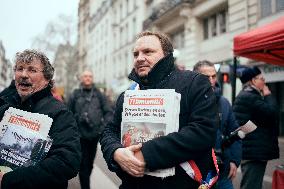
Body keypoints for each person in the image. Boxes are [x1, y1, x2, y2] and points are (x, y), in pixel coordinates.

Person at [100, 31, 218, 189]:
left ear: (166, 55)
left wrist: (145, 155)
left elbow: (203, 131)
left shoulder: (194, 83)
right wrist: (116, 152)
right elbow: (109, 130)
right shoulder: (127, 95)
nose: (139, 58)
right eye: (136, 54)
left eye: (148, 52)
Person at [0, 49, 81, 189]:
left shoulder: (60, 113)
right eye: (20, 68)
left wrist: (9, 180)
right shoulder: (5, 106)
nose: (24, 75)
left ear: (47, 79)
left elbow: (67, 162)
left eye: (32, 70)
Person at [193, 60, 241, 189]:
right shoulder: (188, 101)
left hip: (223, 169)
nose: (211, 80)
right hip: (198, 172)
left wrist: (234, 161)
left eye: (213, 76)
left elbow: (235, 132)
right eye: (206, 77)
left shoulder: (224, 103)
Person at [233, 66, 279, 189]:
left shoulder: (248, 95)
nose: (264, 81)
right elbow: (272, 112)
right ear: (253, 81)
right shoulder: (250, 97)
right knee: (251, 185)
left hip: (253, 151)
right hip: (253, 153)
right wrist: (268, 95)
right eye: (261, 78)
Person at [68, 70, 113, 189]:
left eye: (90, 76)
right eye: (85, 76)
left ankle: (85, 180)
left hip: (94, 136)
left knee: (90, 164)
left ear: (92, 78)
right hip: (80, 137)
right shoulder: (75, 94)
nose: (88, 78)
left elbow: (108, 112)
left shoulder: (99, 94)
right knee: (83, 165)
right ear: (81, 79)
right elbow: (68, 114)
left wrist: (102, 128)